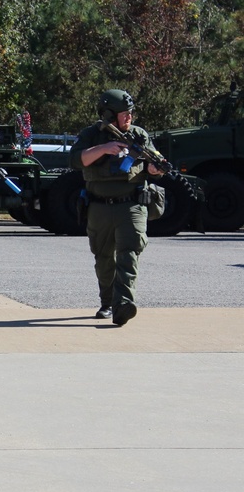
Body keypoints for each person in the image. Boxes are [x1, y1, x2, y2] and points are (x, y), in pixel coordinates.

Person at [69, 89, 163, 326]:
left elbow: (155, 161)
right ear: (109, 114)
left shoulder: (139, 135)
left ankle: (123, 304)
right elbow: (76, 160)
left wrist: (155, 169)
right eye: (124, 113)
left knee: (129, 253)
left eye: (130, 112)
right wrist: (104, 148)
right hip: (99, 206)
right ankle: (108, 302)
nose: (129, 117)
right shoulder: (92, 134)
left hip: (131, 204)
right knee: (103, 257)